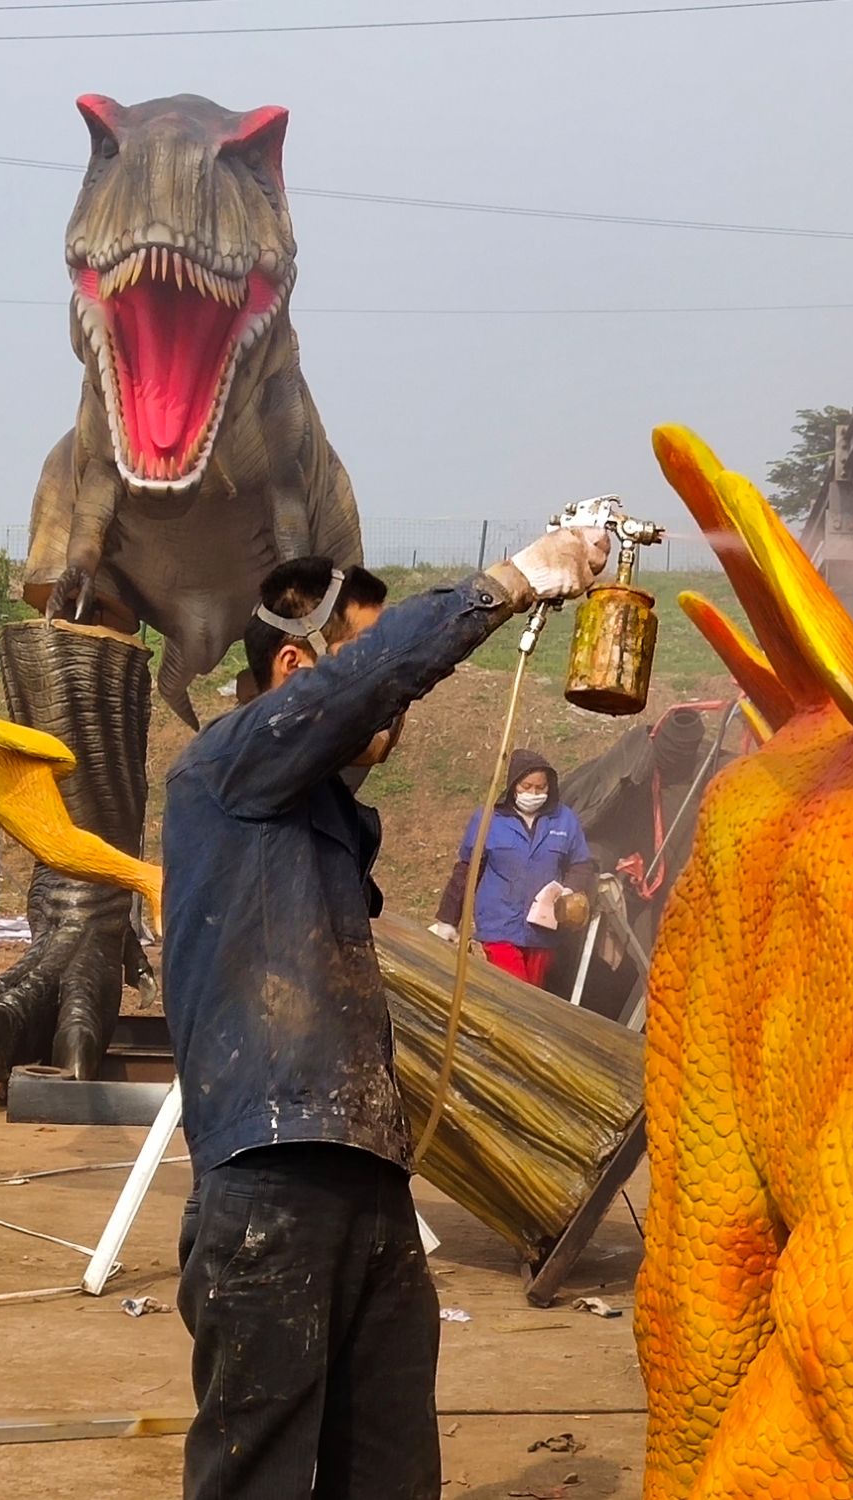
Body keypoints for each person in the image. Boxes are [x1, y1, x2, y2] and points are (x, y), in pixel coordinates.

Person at [161, 529, 609, 1500]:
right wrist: (504, 587)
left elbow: (356, 690)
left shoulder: (319, 826)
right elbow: (359, 685)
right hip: (270, 1179)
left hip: (366, 1179)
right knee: (260, 1471)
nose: (393, 712)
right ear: (292, 666)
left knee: (392, 1468)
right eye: (363, 666)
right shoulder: (223, 771)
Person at [432, 750, 595, 989]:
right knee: (514, 991)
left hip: (544, 929)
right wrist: (448, 920)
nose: (534, 793)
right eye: (527, 786)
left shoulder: (564, 820)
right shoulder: (488, 818)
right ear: (513, 786)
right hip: (499, 925)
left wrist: (569, 891)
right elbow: (467, 871)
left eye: (541, 788)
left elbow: (581, 863)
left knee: (533, 994)